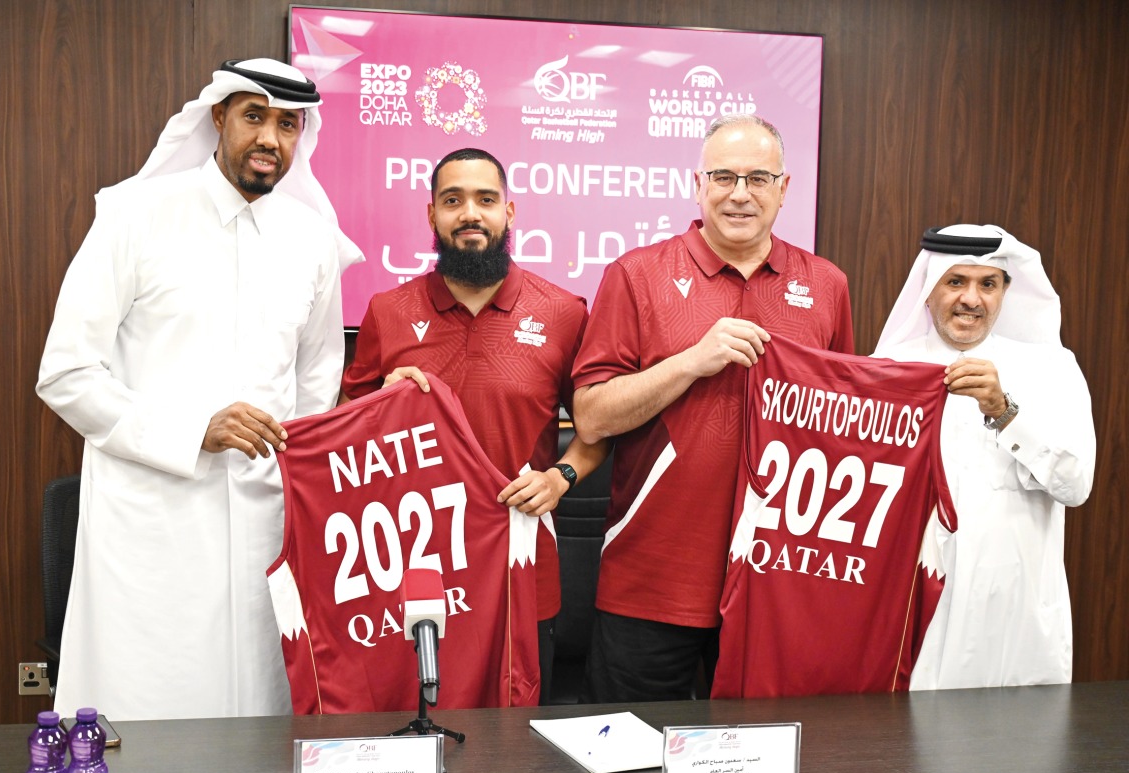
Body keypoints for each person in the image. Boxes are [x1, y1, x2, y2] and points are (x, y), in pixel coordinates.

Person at [37, 58, 361, 721]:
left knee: (261, 710)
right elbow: (66, 373)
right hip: (152, 515)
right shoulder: (136, 214)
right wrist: (194, 432)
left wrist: (286, 454)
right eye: (254, 117)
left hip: (266, 518)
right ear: (218, 118)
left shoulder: (312, 240)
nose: (271, 138)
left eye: (288, 124)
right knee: (152, 709)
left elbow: (318, 371)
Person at [570, 114, 854, 703]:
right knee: (626, 769)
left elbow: (844, 427)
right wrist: (689, 363)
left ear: (784, 188)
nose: (740, 194)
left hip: (777, 584)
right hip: (651, 581)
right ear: (697, 184)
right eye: (723, 176)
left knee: (761, 770)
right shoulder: (637, 274)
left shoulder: (827, 284)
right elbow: (592, 416)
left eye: (758, 178)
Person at [340, 148, 608, 703]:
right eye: (453, 200)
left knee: (513, 741)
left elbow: (597, 427)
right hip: (411, 569)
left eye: (486, 200)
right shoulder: (387, 311)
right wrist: (378, 409)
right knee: (414, 725)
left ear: (510, 212)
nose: (470, 214)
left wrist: (561, 475)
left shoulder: (563, 312)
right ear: (431, 215)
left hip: (519, 564)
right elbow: (343, 437)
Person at [874, 224, 1095, 689]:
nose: (971, 299)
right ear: (928, 290)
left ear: (1005, 292)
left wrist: (1004, 411)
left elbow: (1074, 486)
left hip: (1015, 619)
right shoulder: (888, 371)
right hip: (918, 614)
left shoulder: (1051, 368)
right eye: (956, 281)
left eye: (987, 284)